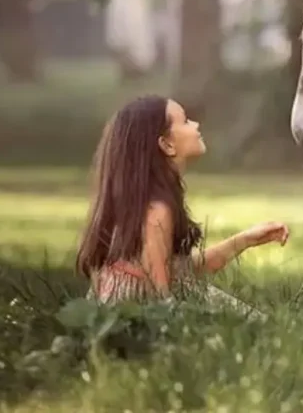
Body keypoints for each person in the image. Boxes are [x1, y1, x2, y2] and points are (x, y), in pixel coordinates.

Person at [74, 94, 289, 317]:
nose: (196, 125)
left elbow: (182, 271)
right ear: (166, 144)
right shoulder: (157, 211)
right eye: (186, 121)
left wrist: (247, 239)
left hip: (142, 305)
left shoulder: (153, 202)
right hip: (137, 315)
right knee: (252, 323)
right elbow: (161, 298)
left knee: (251, 319)